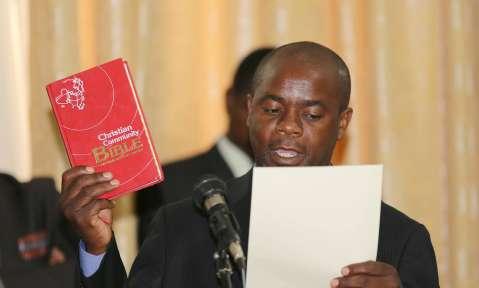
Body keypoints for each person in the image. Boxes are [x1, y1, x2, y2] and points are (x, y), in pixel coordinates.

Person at [59, 41, 439, 287]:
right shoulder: (181, 226)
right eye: (272, 109)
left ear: (342, 123)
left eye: (312, 115)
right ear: (249, 110)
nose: (288, 126)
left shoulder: (399, 239)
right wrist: (96, 248)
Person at [136, 47, 273, 244]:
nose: (265, 120)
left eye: (274, 111)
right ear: (230, 100)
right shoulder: (167, 184)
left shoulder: (299, 185)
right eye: (264, 107)